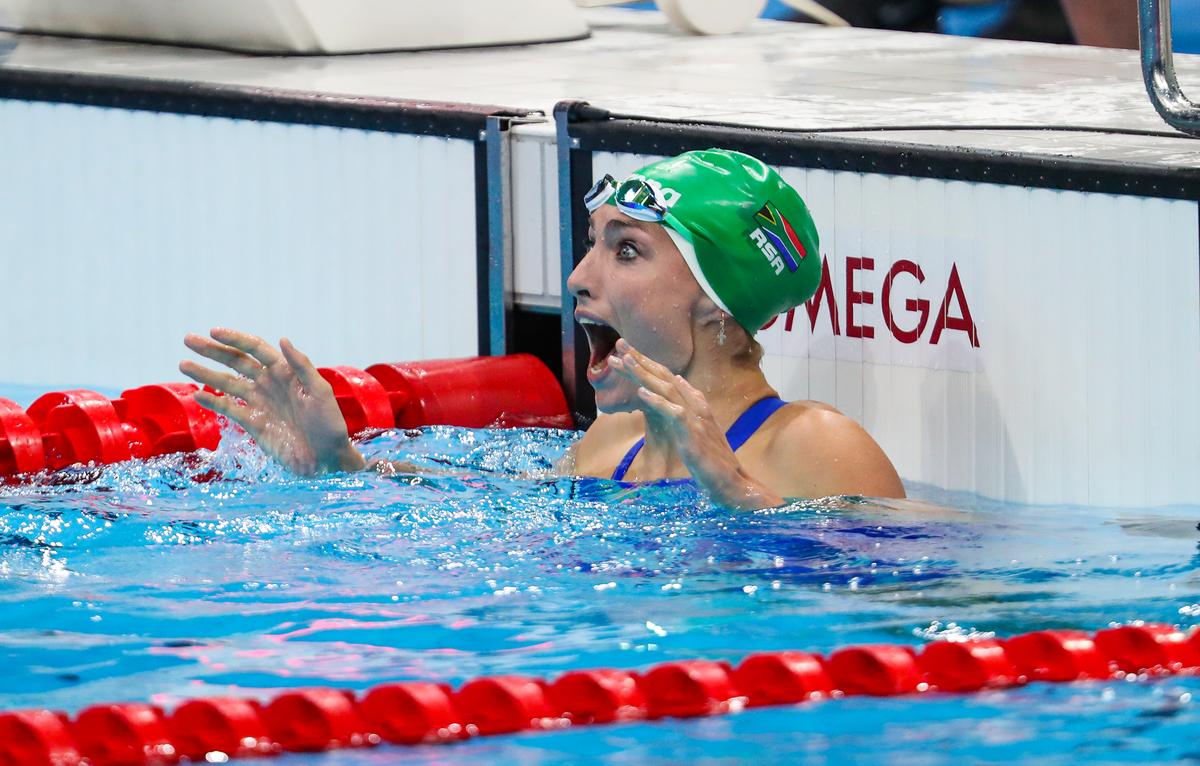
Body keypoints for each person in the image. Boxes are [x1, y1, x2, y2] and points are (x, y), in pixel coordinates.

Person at [180, 149, 904, 510]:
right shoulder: (611, 442)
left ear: (719, 304)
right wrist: (344, 469)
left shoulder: (814, 444)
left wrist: (737, 494)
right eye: (593, 244)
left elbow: (921, 602)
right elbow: (495, 507)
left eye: (627, 250)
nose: (580, 278)